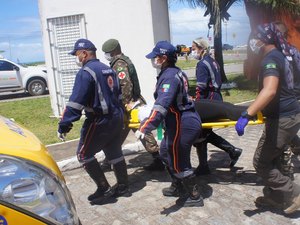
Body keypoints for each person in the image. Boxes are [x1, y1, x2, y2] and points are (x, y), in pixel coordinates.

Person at [235, 23, 300, 214]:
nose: (251, 43)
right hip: (291, 114)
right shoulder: (284, 55)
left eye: (253, 39)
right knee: (277, 158)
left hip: (283, 118)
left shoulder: (270, 59)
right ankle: (275, 198)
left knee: (261, 162)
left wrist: (247, 114)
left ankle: (294, 193)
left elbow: (270, 90)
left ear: (261, 40)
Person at [57, 38, 129, 205]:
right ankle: (123, 186)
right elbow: (118, 95)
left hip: (99, 120)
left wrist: (64, 125)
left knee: (83, 154)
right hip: (116, 116)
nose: (76, 58)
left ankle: (104, 188)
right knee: (113, 150)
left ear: (84, 53)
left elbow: (76, 102)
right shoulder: (108, 69)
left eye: (77, 54)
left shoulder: (86, 73)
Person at [136, 40, 203, 207]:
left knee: (178, 158)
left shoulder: (169, 76)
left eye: (156, 57)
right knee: (166, 152)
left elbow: (162, 104)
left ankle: (194, 196)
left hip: (183, 121)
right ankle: (178, 185)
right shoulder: (172, 72)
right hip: (178, 121)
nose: (153, 60)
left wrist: (146, 126)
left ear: (163, 58)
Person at [101, 39, 164, 171]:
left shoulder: (119, 64)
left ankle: (157, 159)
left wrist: (124, 104)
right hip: (132, 102)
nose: (106, 55)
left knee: (135, 130)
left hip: (129, 104)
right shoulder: (123, 60)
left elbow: (126, 85)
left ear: (113, 51)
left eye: (107, 53)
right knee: (125, 131)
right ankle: (109, 160)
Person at [191, 37, 242, 175]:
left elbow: (200, 87)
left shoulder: (202, 64)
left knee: (202, 132)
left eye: (194, 48)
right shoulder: (213, 61)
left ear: (201, 48)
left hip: (209, 98)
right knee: (203, 132)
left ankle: (230, 151)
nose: (192, 51)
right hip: (217, 97)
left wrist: (198, 103)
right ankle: (206, 164)